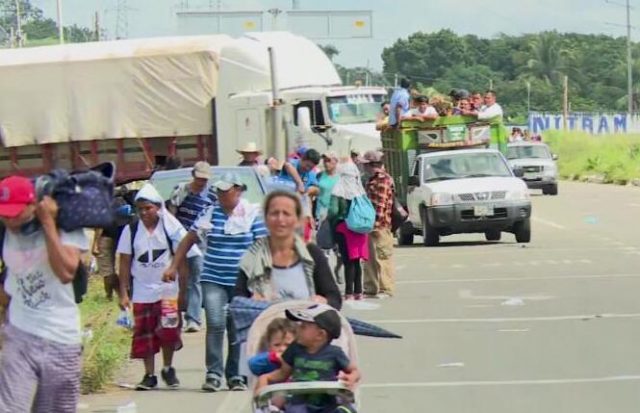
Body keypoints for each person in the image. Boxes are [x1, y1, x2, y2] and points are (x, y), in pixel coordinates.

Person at [164, 172, 268, 392]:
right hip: (213, 277)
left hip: (242, 282)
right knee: (215, 322)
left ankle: (236, 375)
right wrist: (174, 266)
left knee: (237, 328)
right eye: (219, 191)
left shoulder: (252, 215)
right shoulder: (209, 213)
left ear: (238, 191)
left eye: (226, 190)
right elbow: (188, 239)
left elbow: (263, 248)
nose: (221, 195)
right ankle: (213, 373)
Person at [0, 176, 89, 412]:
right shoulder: (4, 230)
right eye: (4, 213)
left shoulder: (66, 225)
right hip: (19, 334)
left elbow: (66, 272)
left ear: (34, 205)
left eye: (15, 212)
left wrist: (48, 223)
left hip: (61, 337)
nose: (9, 219)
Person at [117, 184, 192, 390]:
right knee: (145, 335)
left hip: (167, 291)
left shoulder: (169, 228)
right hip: (142, 292)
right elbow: (124, 263)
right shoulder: (130, 231)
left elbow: (182, 259)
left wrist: (183, 291)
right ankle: (149, 375)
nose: (144, 213)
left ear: (158, 208)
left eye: (148, 208)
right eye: (140, 209)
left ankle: (168, 368)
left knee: (168, 332)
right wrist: (123, 293)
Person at [235, 190, 342, 310]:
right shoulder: (253, 255)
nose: (280, 219)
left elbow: (335, 298)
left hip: (305, 325)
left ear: (297, 220)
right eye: (274, 213)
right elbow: (237, 300)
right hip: (265, 325)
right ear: (265, 218)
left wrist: (323, 301)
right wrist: (252, 302)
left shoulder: (312, 253)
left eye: (286, 214)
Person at [256, 304, 360, 413]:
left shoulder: (335, 353)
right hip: (298, 401)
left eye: (303, 326)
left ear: (320, 335)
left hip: (326, 401)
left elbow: (354, 370)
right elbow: (283, 373)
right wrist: (265, 378)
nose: (298, 329)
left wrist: (352, 377)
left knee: (343, 408)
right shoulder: (294, 349)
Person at [167, 161, 217, 333]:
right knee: (179, 280)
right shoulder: (181, 190)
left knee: (195, 279)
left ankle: (193, 318)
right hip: (179, 240)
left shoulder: (211, 196)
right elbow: (171, 214)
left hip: (199, 242)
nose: (201, 182)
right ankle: (174, 316)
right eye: (199, 178)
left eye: (205, 179)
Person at [328, 163, 369, 301]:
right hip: (360, 228)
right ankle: (359, 291)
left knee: (347, 260)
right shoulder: (360, 190)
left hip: (344, 228)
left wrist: (331, 222)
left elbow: (333, 211)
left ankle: (349, 292)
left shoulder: (339, 190)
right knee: (357, 260)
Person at [360, 151, 396, 299]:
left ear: (372, 164)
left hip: (380, 226)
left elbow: (381, 204)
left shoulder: (382, 180)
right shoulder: (372, 180)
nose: (363, 167)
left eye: (365, 164)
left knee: (382, 258)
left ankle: (386, 288)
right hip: (370, 224)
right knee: (369, 259)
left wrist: (375, 224)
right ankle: (370, 288)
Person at [92, 186, 133, 301]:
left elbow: (99, 225)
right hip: (121, 233)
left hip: (109, 235)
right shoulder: (123, 198)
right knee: (116, 269)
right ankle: (121, 292)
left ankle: (113, 294)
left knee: (107, 270)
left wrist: (95, 244)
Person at [315, 151, 340, 221]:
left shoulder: (341, 178)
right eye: (324, 161)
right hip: (320, 214)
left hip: (335, 216)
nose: (326, 163)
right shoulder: (319, 175)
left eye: (329, 161)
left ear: (336, 161)